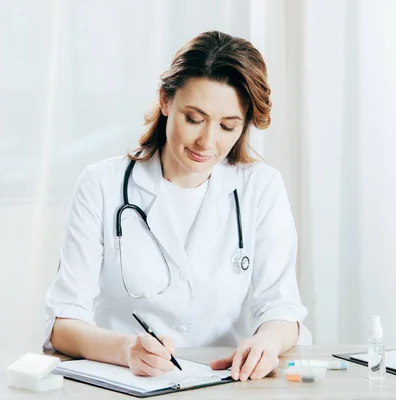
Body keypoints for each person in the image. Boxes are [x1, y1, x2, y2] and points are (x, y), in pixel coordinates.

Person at [44, 30, 311, 381]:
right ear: (166, 101)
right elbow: (63, 322)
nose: (208, 141)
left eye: (228, 126)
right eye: (194, 119)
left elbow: (281, 307)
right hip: (128, 383)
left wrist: (266, 342)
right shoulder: (102, 185)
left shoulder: (261, 187)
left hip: (226, 383)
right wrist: (127, 350)